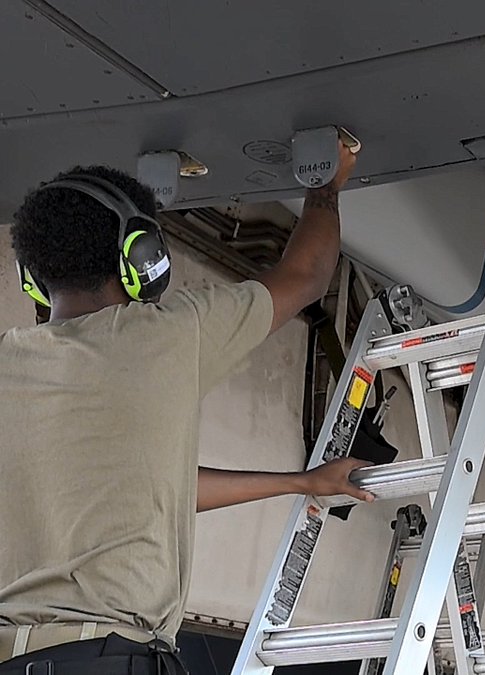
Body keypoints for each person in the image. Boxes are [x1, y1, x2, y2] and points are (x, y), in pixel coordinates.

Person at [0, 144, 371, 673]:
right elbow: (307, 275)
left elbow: (158, 490)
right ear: (141, 258)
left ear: (32, 275)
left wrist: (301, 482)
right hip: (111, 658)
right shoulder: (167, 334)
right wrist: (326, 186)